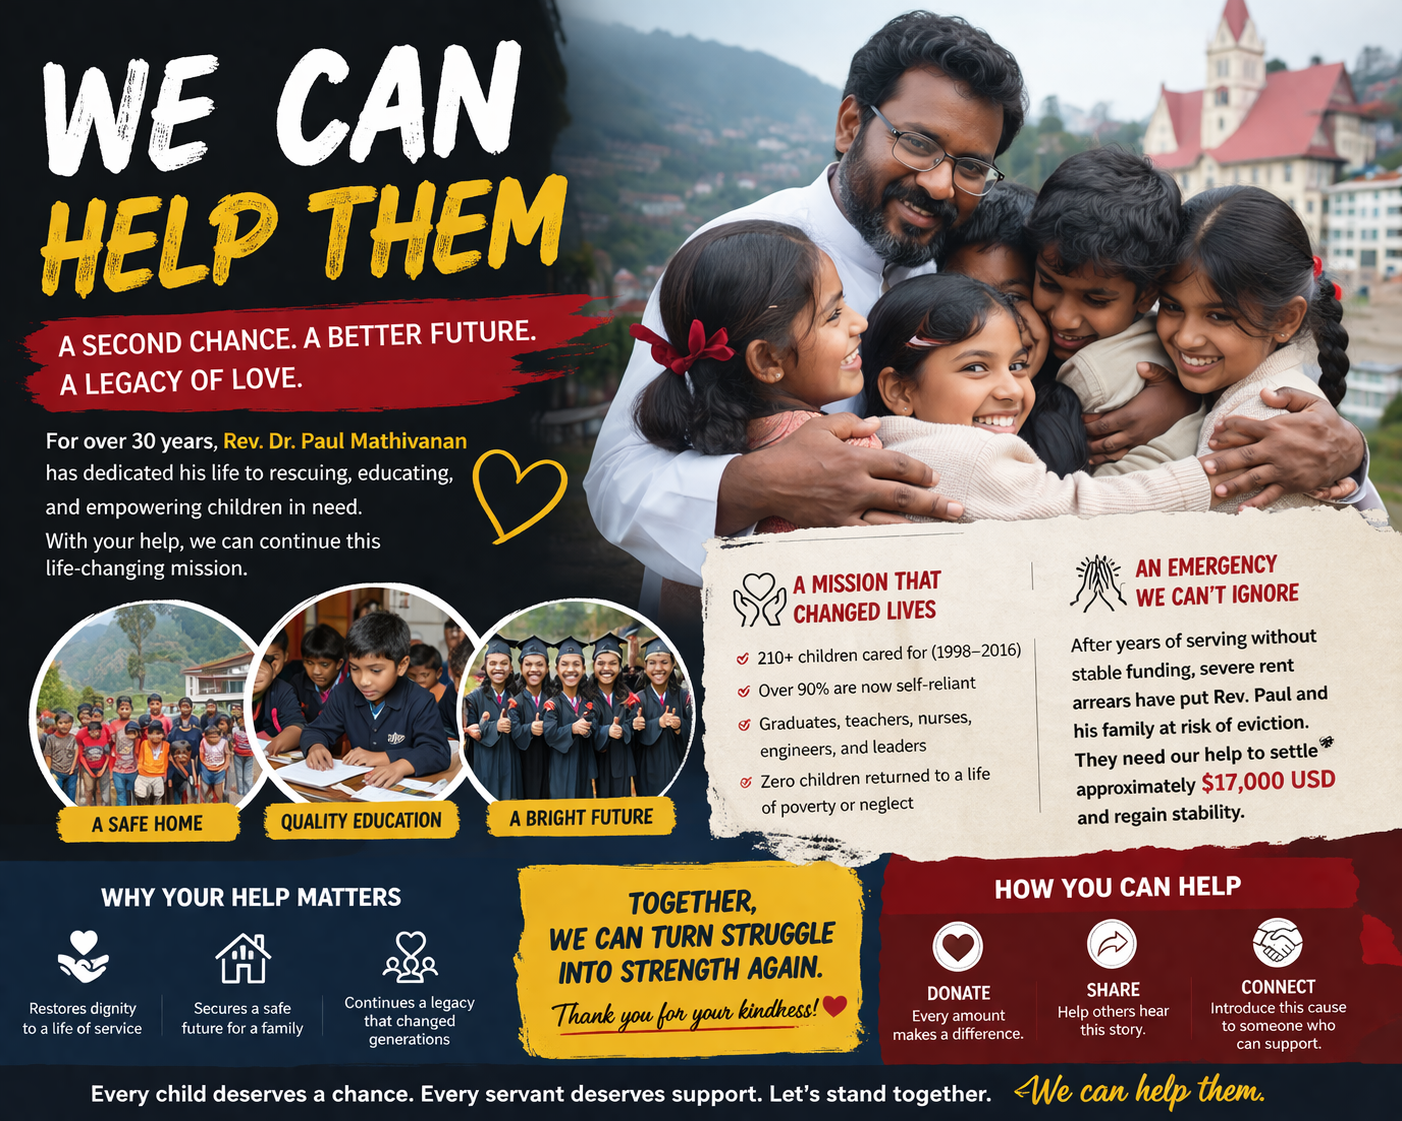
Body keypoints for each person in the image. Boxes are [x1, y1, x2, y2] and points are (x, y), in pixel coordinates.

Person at [585, 11, 1366, 600]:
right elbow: (616, 479)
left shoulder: (973, 247)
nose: (938, 182)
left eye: (969, 164)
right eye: (918, 143)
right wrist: (764, 484)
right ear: (852, 123)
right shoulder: (740, 256)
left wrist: (1340, 454)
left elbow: (1121, 319)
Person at [867, 273, 1235, 518]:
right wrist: (1209, 478)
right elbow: (1081, 510)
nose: (1012, 390)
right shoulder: (964, 457)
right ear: (900, 390)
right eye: (975, 367)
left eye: (1017, 365)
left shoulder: (891, 446)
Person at [1158, 186, 1362, 515]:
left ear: (1285, 319)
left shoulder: (1261, 423)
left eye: (1219, 316)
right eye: (1171, 306)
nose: (1186, 338)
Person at [300, 612, 451, 786]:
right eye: (355, 669)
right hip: (358, 786)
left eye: (376, 670)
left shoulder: (421, 700)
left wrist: (395, 763)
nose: (364, 681)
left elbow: (436, 751)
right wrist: (315, 746)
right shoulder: (344, 693)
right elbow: (316, 730)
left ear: (401, 666)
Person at [463, 637, 522, 800]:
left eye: (504, 663)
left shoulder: (517, 697)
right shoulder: (473, 698)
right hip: (486, 766)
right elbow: (471, 729)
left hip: (511, 765)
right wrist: (493, 726)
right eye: (493, 663)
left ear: (511, 668)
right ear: (485, 667)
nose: (498, 668)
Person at [633, 637, 691, 797]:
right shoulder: (638, 699)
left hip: (678, 770)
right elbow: (632, 740)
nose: (658, 668)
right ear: (645, 667)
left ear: (673, 665)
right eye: (652, 663)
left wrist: (680, 726)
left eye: (664, 662)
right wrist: (649, 724)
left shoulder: (684, 697)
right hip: (647, 774)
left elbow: (696, 735)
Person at [541, 637, 597, 799]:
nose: (570, 669)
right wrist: (572, 729)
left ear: (584, 669)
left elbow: (594, 730)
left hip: (583, 770)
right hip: (561, 769)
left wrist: (589, 729)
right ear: (557, 669)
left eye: (576, 664)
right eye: (564, 664)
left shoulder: (588, 703)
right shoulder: (552, 704)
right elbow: (549, 734)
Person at [587, 633, 637, 798]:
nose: (606, 668)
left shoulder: (627, 695)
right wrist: (606, 731)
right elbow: (586, 724)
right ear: (594, 665)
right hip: (596, 763)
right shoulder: (585, 695)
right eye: (601, 663)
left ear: (620, 666)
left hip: (621, 762)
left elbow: (633, 721)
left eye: (613, 663)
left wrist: (624, 730)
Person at [508, 636, 552, 799]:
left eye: (539, 664)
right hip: (523, 768)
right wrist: (530, 729)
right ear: (521, 667)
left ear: (547, 669)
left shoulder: (553, 701)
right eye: (528, 664)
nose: (534, 669)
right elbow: (515, 733)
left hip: (549, 768)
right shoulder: (515, 702)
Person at [285, 622, 346, 724]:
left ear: (339, 664)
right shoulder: (297, 684)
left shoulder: (352, 687)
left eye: (324, 664)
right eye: (309, 663)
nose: (316, 672)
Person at [254, 648, 307, 757]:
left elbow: (297, 727)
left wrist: (274, 746)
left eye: (259, 669)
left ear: (273, 668)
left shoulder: (282, 691)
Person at [75, 717, 111, 807]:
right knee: (89, 788)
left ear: (100, 731)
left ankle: (98, 807)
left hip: (101, 766)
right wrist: (89, 771)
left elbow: (107, 756)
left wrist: (102, 770)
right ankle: (89, 806)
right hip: (88, 767)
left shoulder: (104, 740)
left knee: (99, 790)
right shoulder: (84, 741)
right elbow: (81, 757)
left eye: (96, 732)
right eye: (91, 732)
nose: (93, 734)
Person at [44, 710, 79, 802]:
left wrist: (72, 769)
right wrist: (48, 773)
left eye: (67, 723)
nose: (64, 725)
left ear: (71, 724)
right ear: (56, 724)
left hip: (72, 774)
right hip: (56, 772)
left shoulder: (73, 738)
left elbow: (76, 753)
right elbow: (48, 756)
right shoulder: (51, 739)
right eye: (61, 723)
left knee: (71, 796)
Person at [109, 719, 140, 806]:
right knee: (120, 792)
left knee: (133, 793)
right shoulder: (115, 746)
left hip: (133, 771)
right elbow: (111, 758)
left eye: (133, 732)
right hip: (118, 771)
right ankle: (123, 811)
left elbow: (138, 754)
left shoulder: (138, 742)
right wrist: (111, 773)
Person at [228, 702, 254, 799]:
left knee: (247, 777)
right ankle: (241, 794)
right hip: (238, 754)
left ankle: (249, 794)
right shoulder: (234, 726)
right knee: (239, 776)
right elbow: (231, 738)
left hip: (249, 754)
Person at [199, 723, 228, 803]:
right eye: (211, 737)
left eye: (215, 737)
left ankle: (219, 805)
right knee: (205, 791)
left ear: (220, 735)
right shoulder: (203, 742)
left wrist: (225, 766)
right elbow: (201, 755)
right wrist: (205, 765)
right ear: (205, 736)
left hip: (220, 769)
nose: (213, 739)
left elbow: (227, 755)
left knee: (219, 792)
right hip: (206, 769)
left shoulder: (224, 742)